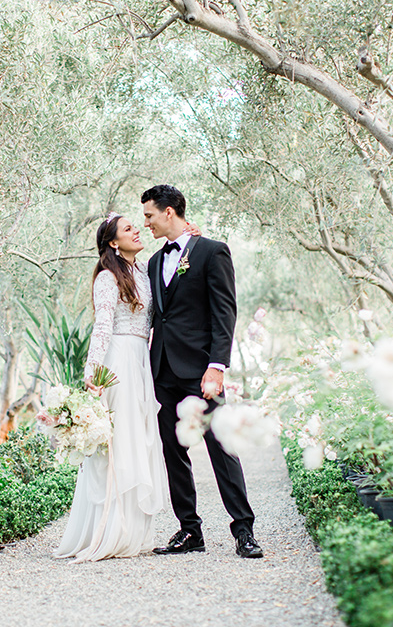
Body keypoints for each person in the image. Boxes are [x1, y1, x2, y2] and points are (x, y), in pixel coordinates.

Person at [141, 184, 263, 559]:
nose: (145, 223)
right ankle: (189, 531)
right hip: (162, 370)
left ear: (169, 212)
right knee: (173, 451)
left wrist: (216, 366)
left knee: (221, 447)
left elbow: (225, 312)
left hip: (200, 371)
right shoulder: (152, 262)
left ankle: (243, 530)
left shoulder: (212, 252)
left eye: (149, 215)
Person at [54, 213, 176, 562]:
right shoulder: (108, 278)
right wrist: (93, 371)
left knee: (139, 438)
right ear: (112, 242)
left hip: (142, 360)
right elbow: (102, 325)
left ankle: (135, 532)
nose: (137, 231)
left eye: (137, 227)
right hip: (119, 359)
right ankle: (110, 529)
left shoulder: (143, 271)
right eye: (128, 229)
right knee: (119, 443)